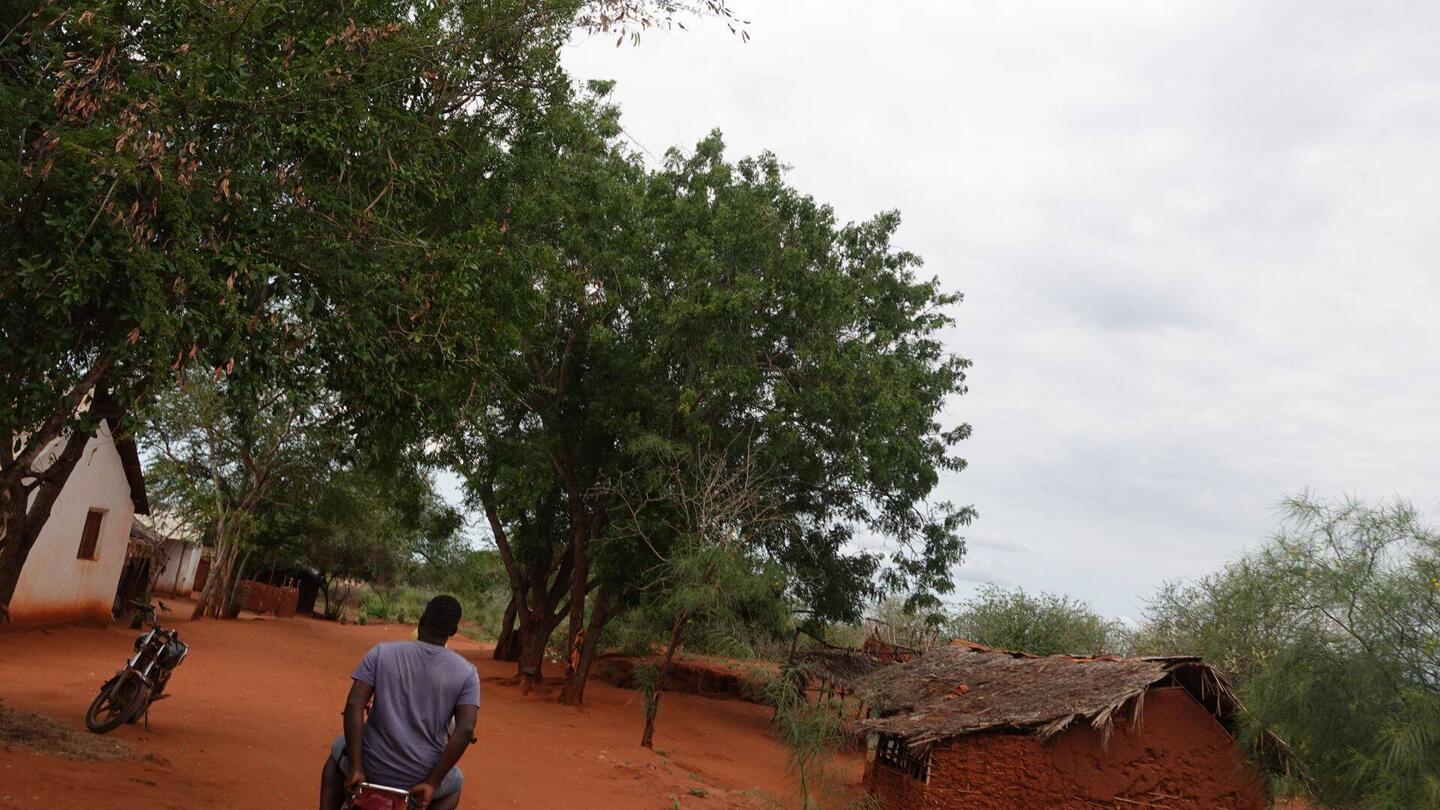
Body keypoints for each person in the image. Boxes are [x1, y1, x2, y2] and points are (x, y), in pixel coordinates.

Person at [320, 595, 479, 810]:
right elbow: (466, 729)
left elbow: (353, 706)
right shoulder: (467, 673)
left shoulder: (381, 653)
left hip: (371, 764)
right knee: (454, 786)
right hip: (420, 775)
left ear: (422, 619)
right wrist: (432, 783)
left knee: (336, 756)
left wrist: (357, 768)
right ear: (453, 632)